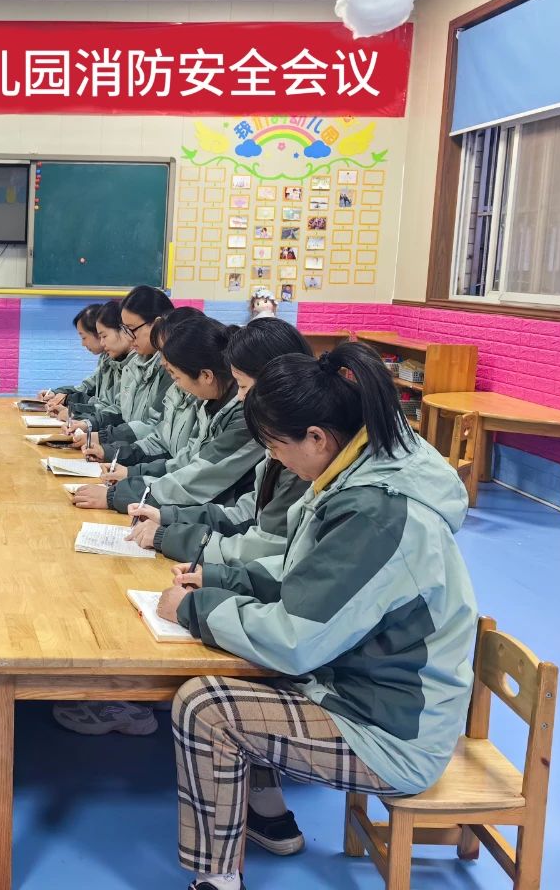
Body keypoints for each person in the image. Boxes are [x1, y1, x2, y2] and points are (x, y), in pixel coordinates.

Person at [157, 342, 477, 890]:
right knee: (237, 665)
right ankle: (266, 815)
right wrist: (220, 579)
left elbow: (296, 639)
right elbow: (303, 576)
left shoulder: (376, 512)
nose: (275, 459)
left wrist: (194, 608)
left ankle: (217, 879)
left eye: (276, 446)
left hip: (389, 733)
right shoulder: (357, 475)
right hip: (361, 691)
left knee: (207, 708)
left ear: (317, 438)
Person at [124, 318, 313, 566]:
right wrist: (169, 517)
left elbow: (265, 547)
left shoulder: (298, 451)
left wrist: (168, 534)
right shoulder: (279, 441)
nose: (241, 397)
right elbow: (249, 513)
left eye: (243, 385)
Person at [74, 315, 261, 513]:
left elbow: (200, 477)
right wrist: (132, 472)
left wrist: (119, 495)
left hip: (209, 512)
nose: (163, 362)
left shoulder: (243, 415)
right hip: (190, 507)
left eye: (175, 376)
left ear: (206, 375)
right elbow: (186, 458)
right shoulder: (209, 402)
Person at [68, 286, 174, 454]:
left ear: (157, 324)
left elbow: (154, 429)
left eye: (131, 329)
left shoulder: (170, 370)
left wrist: (104, 442)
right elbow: (120, 411)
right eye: (125, 330)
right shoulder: (134, 365)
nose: (129, 337)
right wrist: (89, 425)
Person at [55, 298, 133, 425]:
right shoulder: (111, 360)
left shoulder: (132, 365)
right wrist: (64, 398)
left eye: (104, 336)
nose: (102, 342)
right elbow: (99, 400)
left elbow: (118, 413)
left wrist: (76, 413)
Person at [38, 303, 104, 408]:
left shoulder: (122, 363)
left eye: (84, 337)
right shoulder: (105, 358)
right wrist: (55, 393)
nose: (83, 344)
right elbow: (86, 387)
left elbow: (106, 406)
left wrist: (68, 400)